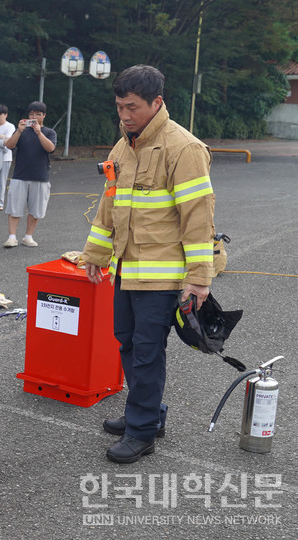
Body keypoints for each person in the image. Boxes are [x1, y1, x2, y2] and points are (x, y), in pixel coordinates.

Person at [81, 65, 215, 464]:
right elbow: (109, 206)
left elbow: (198, 218)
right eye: (120, 107)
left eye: (132, 107)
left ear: (157, 103)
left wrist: (199, 278)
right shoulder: (123, 147)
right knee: (126, 341)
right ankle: (149, 413)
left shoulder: (184, 148)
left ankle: (142, 432)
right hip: (126, 268)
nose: (124, 115)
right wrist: (95, 254)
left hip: (162, 275)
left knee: (146, 351)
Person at [2, 101, 57, 248]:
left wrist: (39, 132)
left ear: (44, 116)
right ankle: (12, 237)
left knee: (36, 210)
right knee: (14, 208)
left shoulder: (49, 132)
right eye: (32, 114)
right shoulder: (22, 131)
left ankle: (28, 236)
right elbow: (9, 145)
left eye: (38, 114)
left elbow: (50, 148)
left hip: (40, 176)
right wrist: (19, 131)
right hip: (20, 175)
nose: (34, 117)